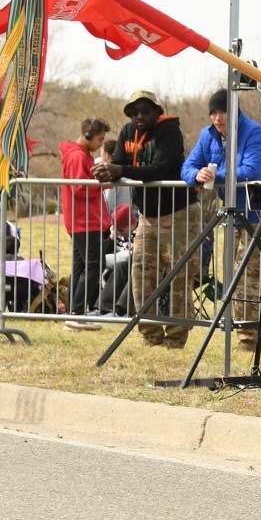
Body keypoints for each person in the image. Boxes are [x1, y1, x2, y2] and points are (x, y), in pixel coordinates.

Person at [94, 90, 198, 348]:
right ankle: (151, 336)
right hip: (147, 216)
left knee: (178, 274)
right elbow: (118, 162)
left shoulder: (169, 132)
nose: (140, 116)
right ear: (129, 114)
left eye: (146, 111)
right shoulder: (127, 133)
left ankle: (175, 339)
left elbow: (160, 169)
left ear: (156, 113)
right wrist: (106, 172)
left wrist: (120, 170)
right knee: (140, 272)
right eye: (135, 111)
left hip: (179, 212)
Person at [181, 89, 261, 352]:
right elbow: (187, 166)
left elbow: (251, 170)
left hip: (259, 212)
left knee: (251, 273)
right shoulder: (207, 134)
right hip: (232, 213)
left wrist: (213, 177)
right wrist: (195, 176)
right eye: (212, 112)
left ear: (234, 111)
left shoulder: (254, 132)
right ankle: (238, 328)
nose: (216, 117)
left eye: (221, 112)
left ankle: (248, 336)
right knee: (232, 273)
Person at [59, 116, 111, 328]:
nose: (101, 143)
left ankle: (74, 311)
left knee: (81, 266)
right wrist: (102, 182)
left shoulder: (81, 155)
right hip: (84, 221)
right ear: (88, 135)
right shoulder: (77, 156)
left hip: (83, 220)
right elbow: (79, 188)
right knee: (94, 265)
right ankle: (77, 311)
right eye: (100, 138)